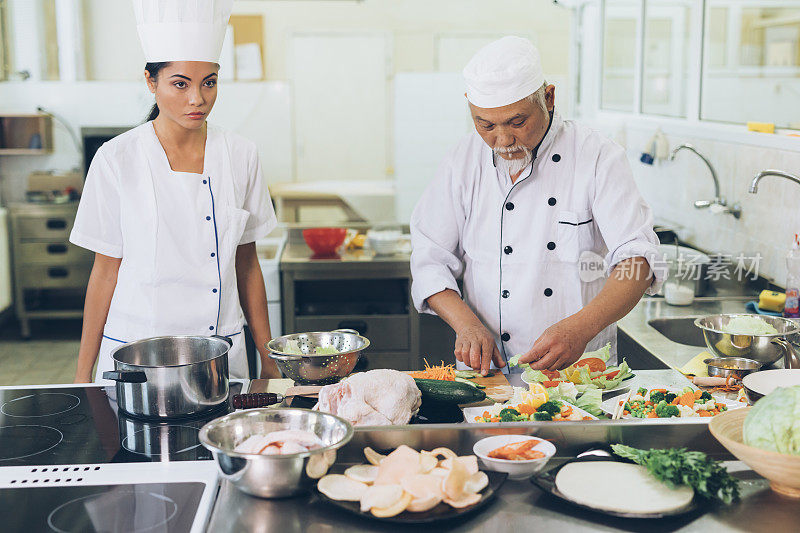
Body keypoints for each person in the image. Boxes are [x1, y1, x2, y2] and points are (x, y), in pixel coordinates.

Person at [410, 36, 664, 375]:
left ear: (549, 98)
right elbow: (430, 258)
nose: (502, 141)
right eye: (486, 125)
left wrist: (581, 329)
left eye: (517, 122)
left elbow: (638, 262)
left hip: (579, 370)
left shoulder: (597, 156)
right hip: (486, 372)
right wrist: (466, 325)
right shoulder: (463, 159)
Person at [71, 0, 280, 383]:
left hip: (222, 356)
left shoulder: (241, 155)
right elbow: (104, 272)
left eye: (209, 82)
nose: (197, 99)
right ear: (151, 82)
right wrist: (82, 376)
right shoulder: (117, 158)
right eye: (180, 84)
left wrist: (268, 358)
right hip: (136, 357)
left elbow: (247, 264)